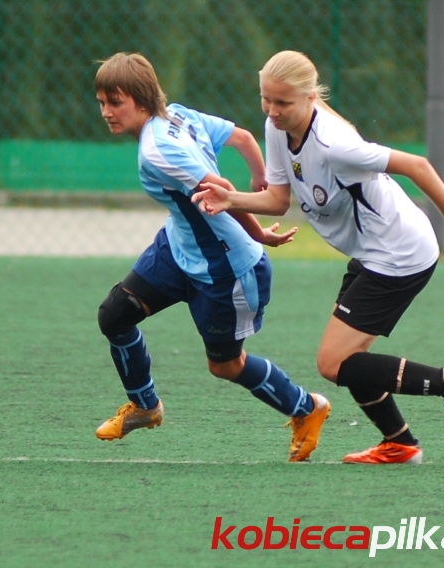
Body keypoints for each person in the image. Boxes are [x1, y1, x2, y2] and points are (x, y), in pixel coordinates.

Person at [192, 50, 444, 465]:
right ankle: (399, 443)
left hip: (399, 253)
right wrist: (232, 199)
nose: (272, 110)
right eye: (266, 99)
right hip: (371, 252)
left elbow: (418, 165)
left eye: (282, 102)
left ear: (310, 97)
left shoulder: (335, 144)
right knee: (349, 358)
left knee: (333, 362)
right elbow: (279, 199)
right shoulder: (277, 127)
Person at [92, 52, 331, 463]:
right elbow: (244, 138)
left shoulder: (157, 149)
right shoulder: (179, 115)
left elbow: (217, 190)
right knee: (114, 315)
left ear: (142, 99)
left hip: (225, 268)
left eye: (116, 102)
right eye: (101, 102)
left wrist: (258, 233)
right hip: (177, 248)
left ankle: (306, 407)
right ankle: (146, 407)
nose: (106, 112)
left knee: (225, 365)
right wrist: (261, 177)